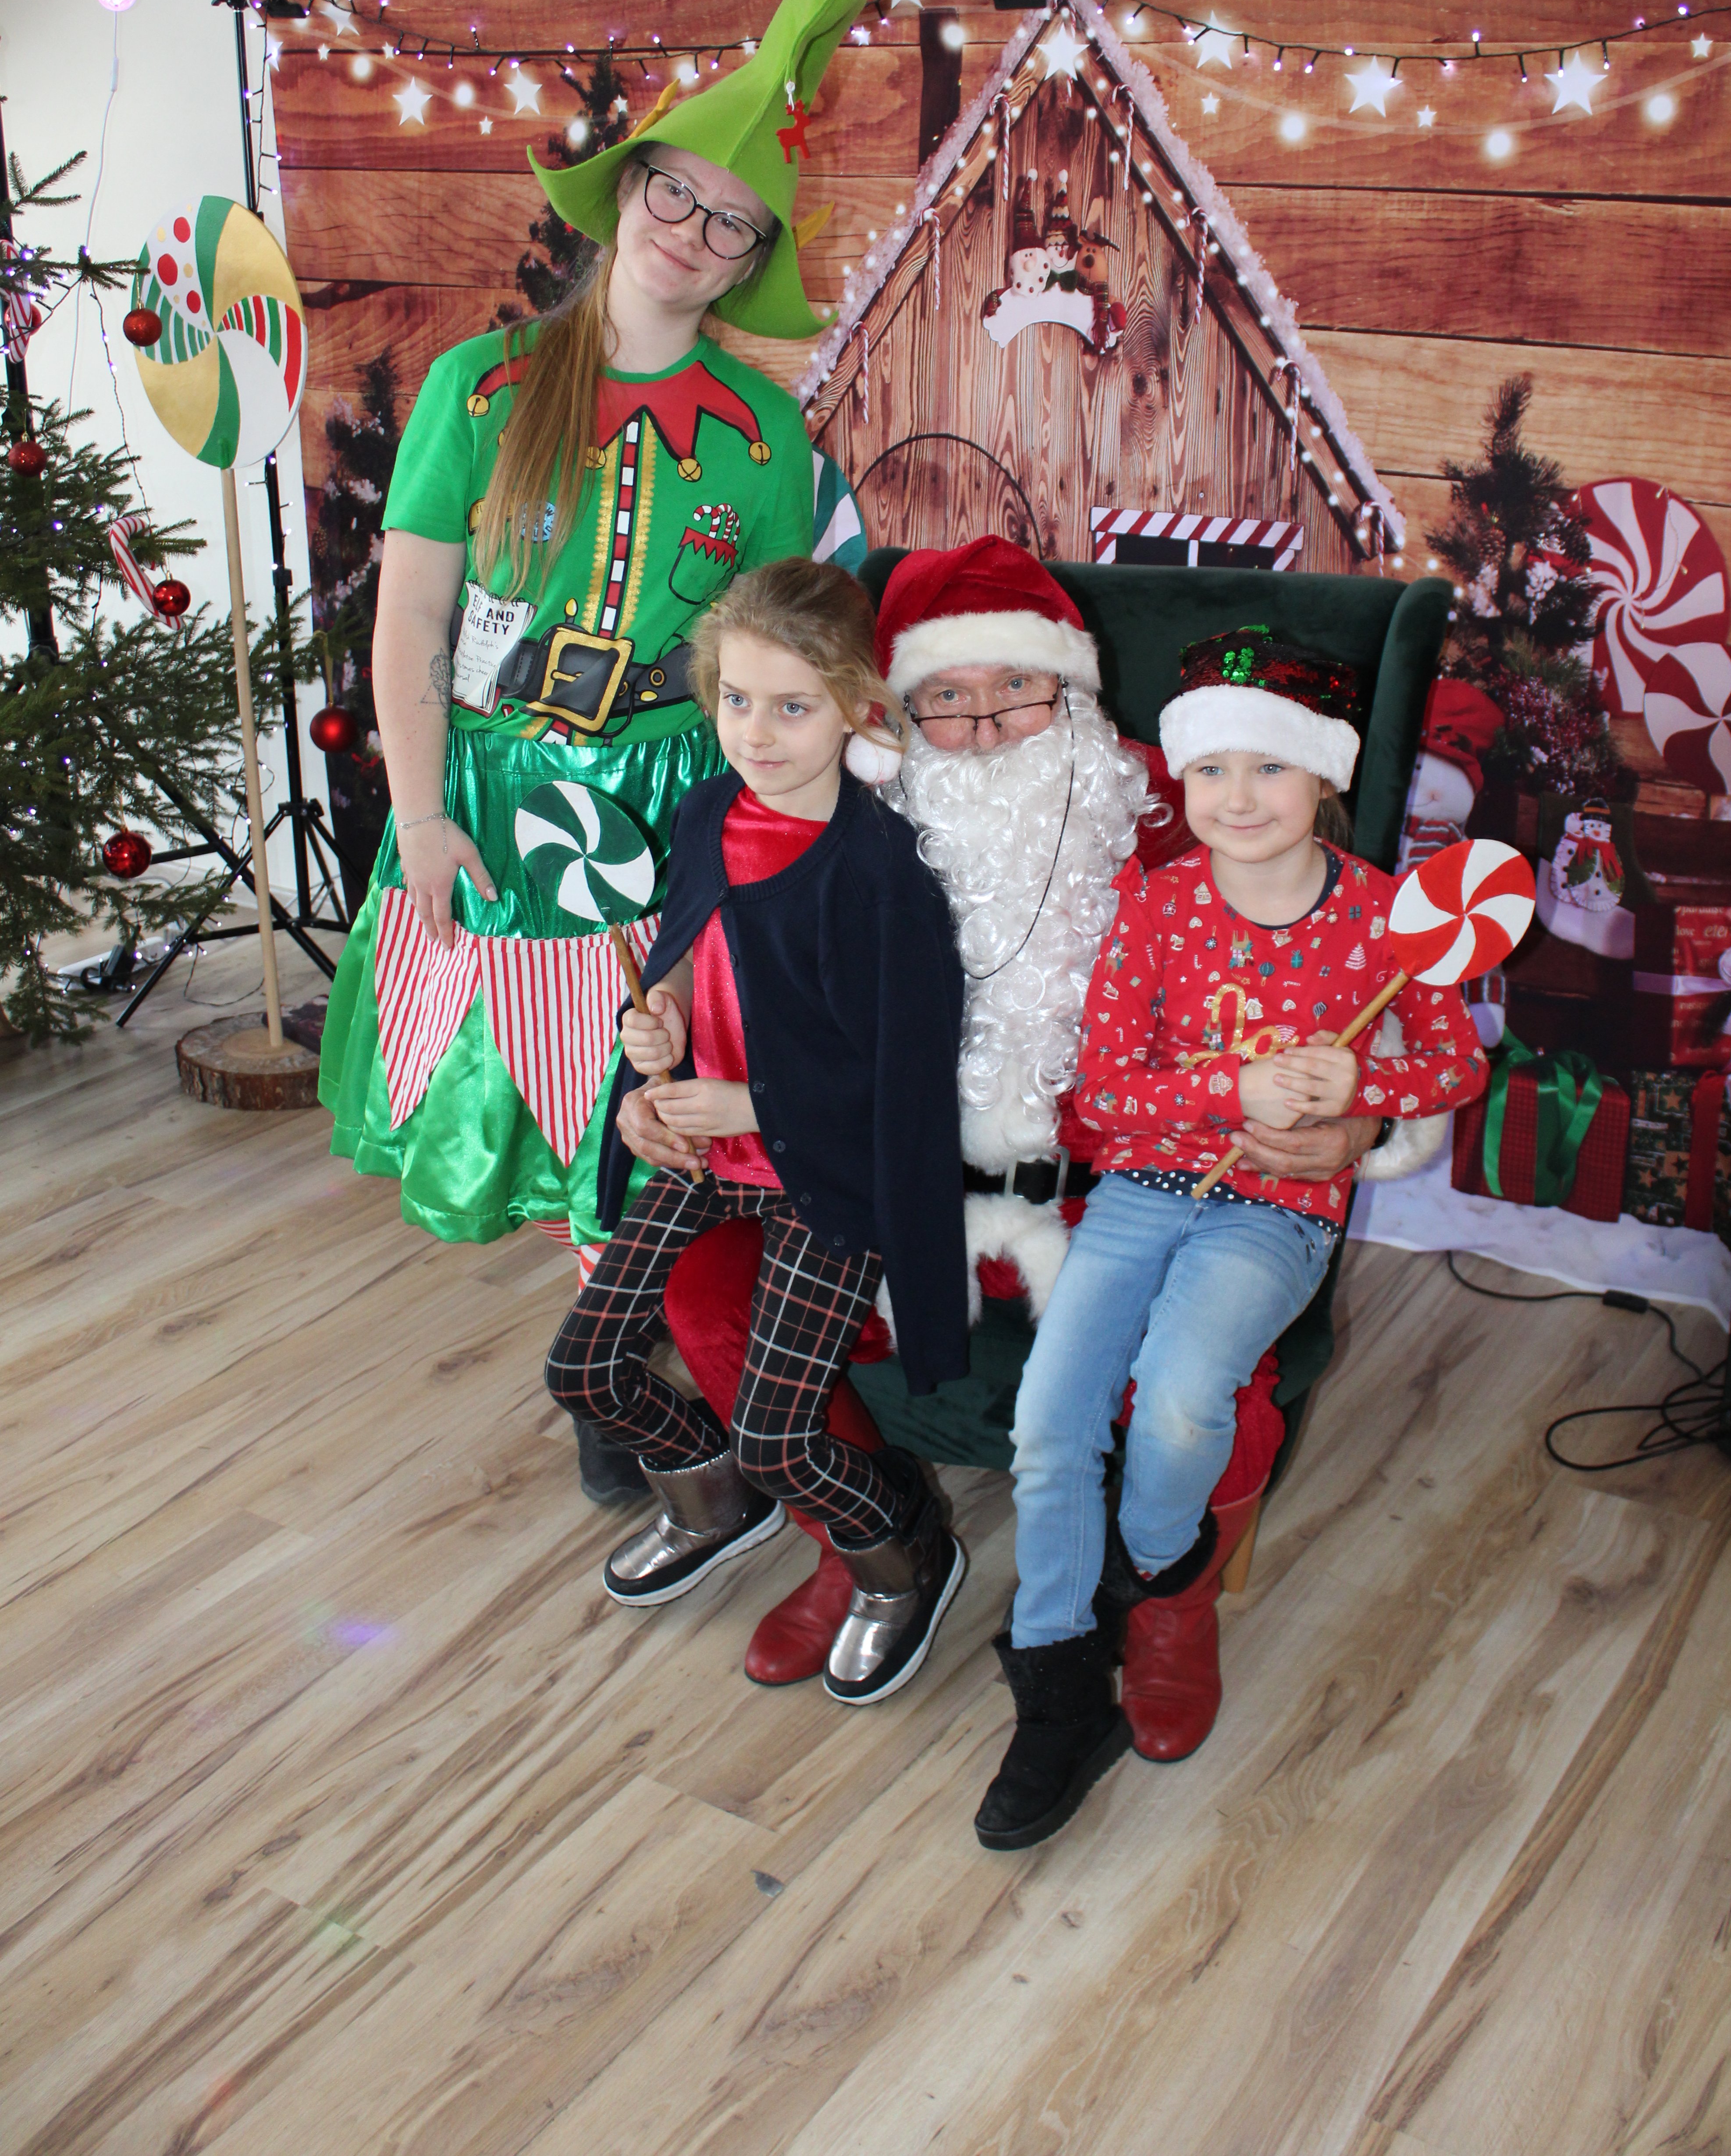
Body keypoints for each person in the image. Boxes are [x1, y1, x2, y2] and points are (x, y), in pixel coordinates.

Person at [652, 539, 1398, 1708]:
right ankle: (869, 1546)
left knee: (1200, 1373)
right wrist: (661, 1087)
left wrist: (1360, 1124)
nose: (990, 726)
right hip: (886, 1181)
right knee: (703, 1292)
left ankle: (1171, 1602)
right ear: (891, 713)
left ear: (1074, 687)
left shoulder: (1177, 807)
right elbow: (725, 996)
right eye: (947, 699)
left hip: (1122, 1182)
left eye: (1019, 686)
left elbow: (1348, 972)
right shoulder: (832, 820)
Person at [317, 0, 869, 1382]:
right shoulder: (482, 387)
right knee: (533, 1083)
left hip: (670, 797)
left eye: (732, 223)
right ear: (627, 193)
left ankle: (619, 1379)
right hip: (494, 788)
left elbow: (777, 661)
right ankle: (614, 1384)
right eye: (677, 195)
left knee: (648, 1083)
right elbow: (411, 620)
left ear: (750, 262)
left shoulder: (764, 439)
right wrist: (419, 813)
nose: (693, 234)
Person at [973, 624, 1490, 1851]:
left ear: (1326, 777)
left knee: (1182, 1398)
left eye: (1270, 767)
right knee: (1049, 1421)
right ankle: (1057, 1697)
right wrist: (1232, 1090)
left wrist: (1364, 1089)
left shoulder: (1386, 917)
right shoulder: (1154, 907)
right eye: (1211, 769)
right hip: (1143, 1194)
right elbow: (1104, 1095)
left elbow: (1457, 1062)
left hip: (1277, 1213)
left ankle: (1156, 1567)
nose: (1238, 796)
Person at [544, 558, 972, 1706]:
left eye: (793, 706)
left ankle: (904, 1545)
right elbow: (687, 958)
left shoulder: (881, 874)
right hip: (711, 1151)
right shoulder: (708, 813)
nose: (758, 734)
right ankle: (711, 1497)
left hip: (820, 1165)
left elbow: (907, 1077)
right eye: (736, 700)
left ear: (857, 707)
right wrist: (657, 1037)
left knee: (786, 1436)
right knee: (584, 1368)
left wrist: (758, 1107)